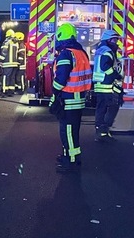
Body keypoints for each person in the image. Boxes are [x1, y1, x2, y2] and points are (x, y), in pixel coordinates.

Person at [51, 23, 92, 173]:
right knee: (72, 131)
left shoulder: (66, 54)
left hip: (68, 99)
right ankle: (70, 155)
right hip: (78, 99)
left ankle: (71, 161)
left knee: (67, 132)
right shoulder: (81, 53)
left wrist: (54, 93)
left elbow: (61, 79)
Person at [92, 30, 123, 142]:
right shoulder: (107, 51)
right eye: (114, 39)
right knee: (108, 108)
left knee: (102, 109)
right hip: (105, 85)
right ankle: (102, 132)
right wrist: (116, 75)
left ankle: (101, 132)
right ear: (108, 40)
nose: (116, 42)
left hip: (101, 84)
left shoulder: (102, 49)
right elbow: (105, 67)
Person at [0, 29, 18, 96]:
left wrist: (0, 61)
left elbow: (4, 52)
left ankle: (4, 91)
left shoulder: (7, 41)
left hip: (7, 63)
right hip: (15, 64)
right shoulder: (16, 42)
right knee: (12, 77)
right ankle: (11, 91)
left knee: (5, 77)